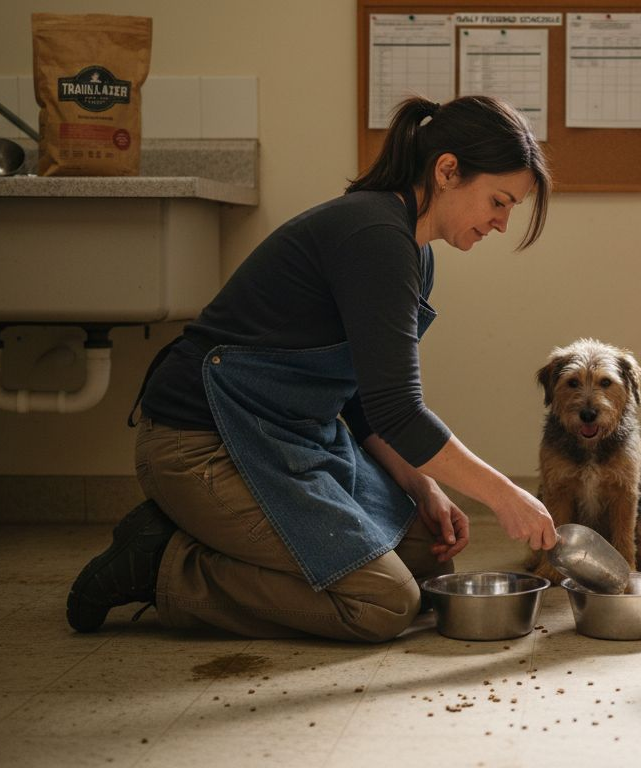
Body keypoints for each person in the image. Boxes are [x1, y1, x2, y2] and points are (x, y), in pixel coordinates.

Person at [66, 95, 558, 641]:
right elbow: (401, 411)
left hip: (290, 438)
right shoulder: (375, 236)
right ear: (447, 171)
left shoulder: (413, 250)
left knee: (426, 556)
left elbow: (368, 400)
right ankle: (164, 563)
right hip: (200, 443)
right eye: (499, 200)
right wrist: (505, 496)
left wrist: (425, 490)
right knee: (385, 606)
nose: (501, 222)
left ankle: (208, 540)